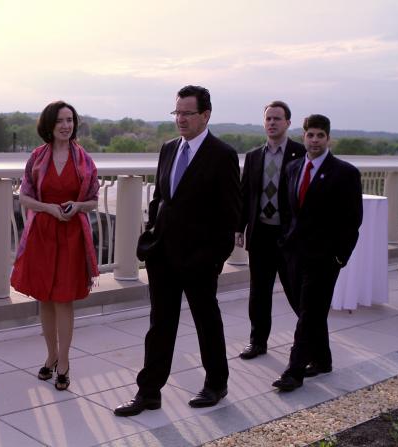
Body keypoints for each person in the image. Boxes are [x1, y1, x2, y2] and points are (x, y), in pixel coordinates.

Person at [114, 85, 241, 416]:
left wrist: (212, 259)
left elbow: (230, 216)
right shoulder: (169, 148)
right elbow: (161, 199)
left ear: (205, 115)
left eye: (187, 113)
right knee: (160, 325)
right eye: (177, 113)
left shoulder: (222, 154)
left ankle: (216, 383)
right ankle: (149, 393)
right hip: (163, 255)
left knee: (206, 322)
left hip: (200, 259)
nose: (180, 119)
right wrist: (150, 235)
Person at [10, 100, 99, 391]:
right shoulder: (36, 158)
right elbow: (25, 197)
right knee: (45, 298)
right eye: (60, 120)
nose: (66, 126)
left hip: (72, 235)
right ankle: (51, 354)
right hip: (43, 235)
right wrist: (47, 208)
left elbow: (94, 201)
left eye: (70, 120)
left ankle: (64, 363)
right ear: (49, 125)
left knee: (64, 299)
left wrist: (78, 206)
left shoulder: (84, 160)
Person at [272, 114, 362, 391]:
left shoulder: (345, 173)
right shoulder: (293, 167)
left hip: (324, 258)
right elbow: (287, 211)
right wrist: (285, 242)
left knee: (310, 311)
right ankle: (322, 360)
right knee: (308, 310)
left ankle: (294, 372)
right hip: (294, 253)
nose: (314, 140)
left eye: (320, 135)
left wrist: (339, 257)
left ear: (328, 138)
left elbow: (352, 220)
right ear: (304, 136)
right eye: (310, 135)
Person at [236, 101, 306, 360]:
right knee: (259, 292)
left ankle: (308, 341)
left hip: (289, 236)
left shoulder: (301, 154)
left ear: (288, 123)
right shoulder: (255, 156)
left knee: (296, 290)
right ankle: (258, 342)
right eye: (268, 119)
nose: (272, 123)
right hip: (261, 234)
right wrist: (239, 227)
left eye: (278, 118)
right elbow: (245, 195)